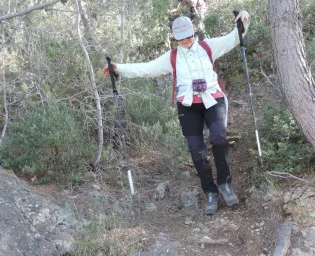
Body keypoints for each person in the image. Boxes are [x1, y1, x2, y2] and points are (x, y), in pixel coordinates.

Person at [102, 11, 250, 215]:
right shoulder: (172, 57)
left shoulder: (208, 47)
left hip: (212, 100)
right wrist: (119, 68)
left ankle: (225, 184)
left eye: (189, 37)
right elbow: (146, 68)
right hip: (188, 106)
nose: (186, 41)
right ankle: (210, 192)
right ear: (175, 38)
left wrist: (244, 19)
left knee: (219, 138)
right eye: (181, 39)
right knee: (196, 150)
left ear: (193, 32)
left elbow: (234, 37)